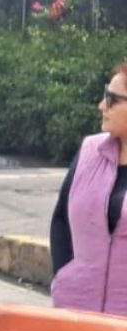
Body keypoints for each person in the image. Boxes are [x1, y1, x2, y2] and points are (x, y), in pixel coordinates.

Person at [49, 62, 127, 316]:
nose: (102, 106)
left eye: (112, 99)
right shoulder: (89, 151)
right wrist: (65, 275)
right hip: (76, 312)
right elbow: (61, 219)